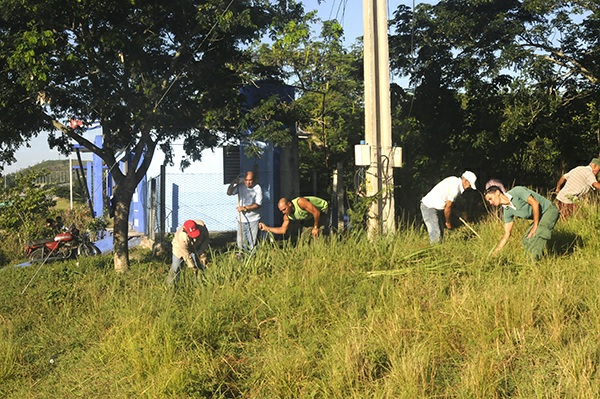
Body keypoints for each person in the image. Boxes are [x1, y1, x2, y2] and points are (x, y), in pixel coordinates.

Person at [484, 185, 559, 260]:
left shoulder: (517, 191)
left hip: (549, 210)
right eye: (488, 201)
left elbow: (535, 203)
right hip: (540, 217)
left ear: (497, 192)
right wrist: (495, 252)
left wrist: (535, 225)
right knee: (526, 240)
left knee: (538, 233)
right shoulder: (507, 210)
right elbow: (507, 234)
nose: (490, 202)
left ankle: (534, 261)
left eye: (490, 198)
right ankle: (531, 259)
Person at [420, 171, 478, 244]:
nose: (469, 187)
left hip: (435, 207)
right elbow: (448, 207)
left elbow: (447, 202)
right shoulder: (456, 187)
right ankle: (434, 253)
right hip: (429, 207)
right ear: (465, 181)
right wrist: (448, 222)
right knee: (436, 233)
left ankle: (438, 251)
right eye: (470, 184)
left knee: (440, 233)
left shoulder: (454, 181)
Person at [227, 171, 263, 253]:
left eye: (250, 180)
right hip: (242, 219)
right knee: (240, 242)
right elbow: (229, 193)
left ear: (254, 180)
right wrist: (233, 183)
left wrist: (245, 208)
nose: (248, 182)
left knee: (252, 242)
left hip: (254, 219)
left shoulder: (258, 188)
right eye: (246, 180)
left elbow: (258, 204)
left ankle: (253, 258)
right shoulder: (240, 186)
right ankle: (242, 257)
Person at [259, 196, 329, 238]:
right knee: (304, 237)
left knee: (318, 233)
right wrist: (266, 228)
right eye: (281, 211)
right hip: (310, 216)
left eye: (284, 209)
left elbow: (316, 212)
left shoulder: (300, 202)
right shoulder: (287, 216)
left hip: (322, 210)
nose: (283, 212)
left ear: (289, 204)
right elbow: (283, 230)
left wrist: (315, 227)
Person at [167, 219, 209, 284]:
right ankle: (170, 286)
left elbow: (206, 240)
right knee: (176, 267)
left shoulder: (202, 227)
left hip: (195, 246)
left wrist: (201, 253)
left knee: (200, 266)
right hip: (179, 249)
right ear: (185, 231)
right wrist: (192, 266)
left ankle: (198, 284)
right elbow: (185, 254)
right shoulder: (181, 236)